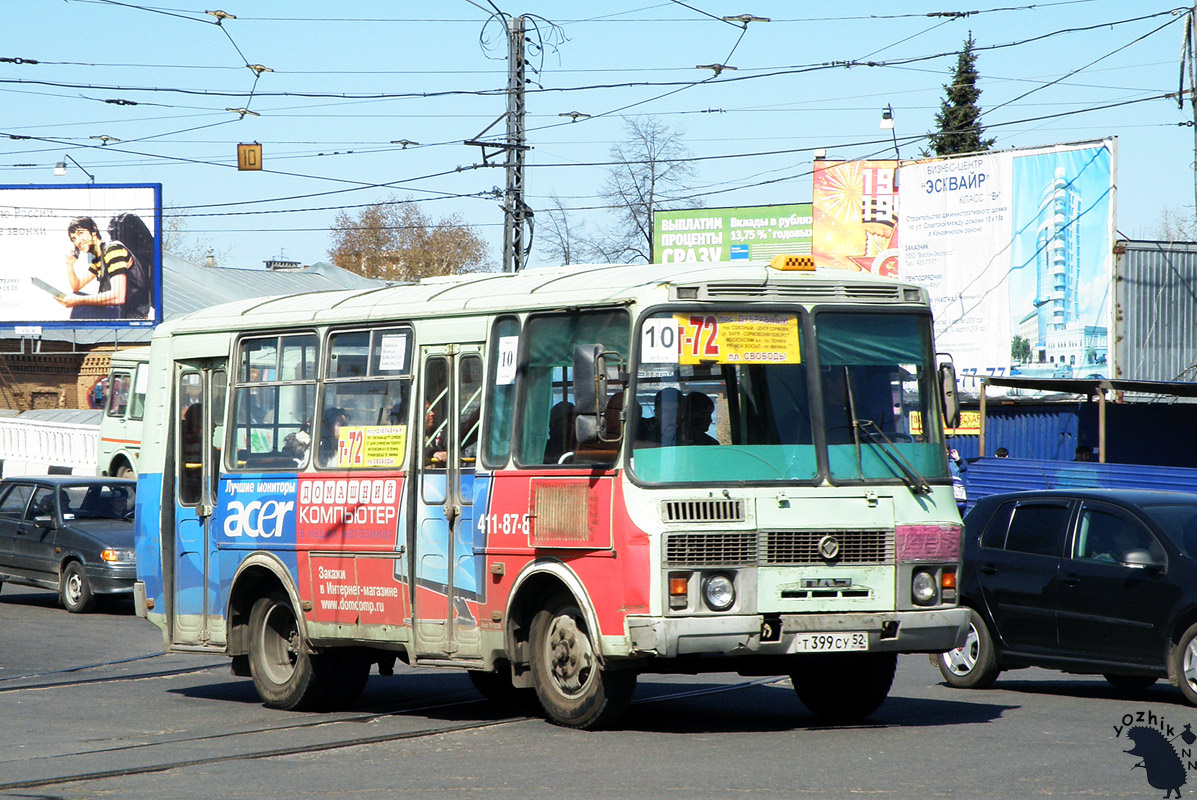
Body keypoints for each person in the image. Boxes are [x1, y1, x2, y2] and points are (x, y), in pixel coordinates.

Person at [55, 216, 151, 320]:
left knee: (81, 305)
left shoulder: (113, 250)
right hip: (117, 311)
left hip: (129, 315)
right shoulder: (98, 260)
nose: (78, 241)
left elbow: (118, 295)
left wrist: (78, 300)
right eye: (74, 238)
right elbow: (76, 286)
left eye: (80, 233)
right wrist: (69, 264)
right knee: (78, 297)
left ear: (93, 231)